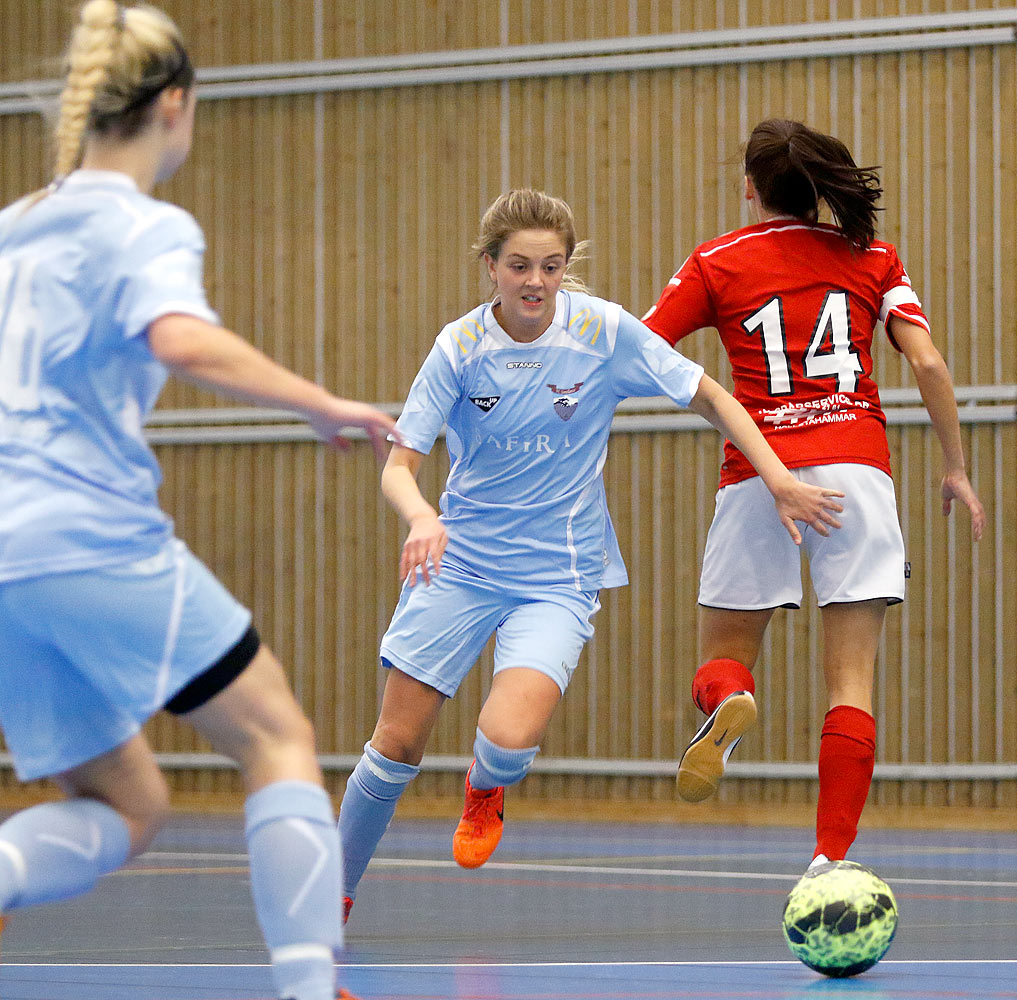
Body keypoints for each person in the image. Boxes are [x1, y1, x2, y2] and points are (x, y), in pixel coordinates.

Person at [0, 4, 398, 999]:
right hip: (92, 536)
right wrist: (321, 404)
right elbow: (178, 338)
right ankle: (312, 987)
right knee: (274, 733)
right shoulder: (146, 226)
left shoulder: (9, 230)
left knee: (127, 800)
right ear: (174, 105)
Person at [335, 188, 842, 920]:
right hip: (460, 564)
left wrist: (780, 477)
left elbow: (712, 397)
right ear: (490, 268)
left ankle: (487, 786)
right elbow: (397, 464)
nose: (535, 281)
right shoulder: (460, 348)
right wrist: (419, 517)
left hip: (558, 575)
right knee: (395, 745)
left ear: (566, 267)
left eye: (550, 265)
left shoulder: (601, 331)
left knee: (509, 739)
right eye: (518, 266)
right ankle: (335, 896)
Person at [642, 118, 987, 868]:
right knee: (852, 679)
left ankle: (728, 699)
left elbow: (644, 348)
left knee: (724, 657)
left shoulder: (716, 260)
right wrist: (955, 466)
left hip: (759, 472)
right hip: (857, 475)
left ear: (751, 187)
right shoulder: (873, 257)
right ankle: (830, 860)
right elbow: (927, 364)